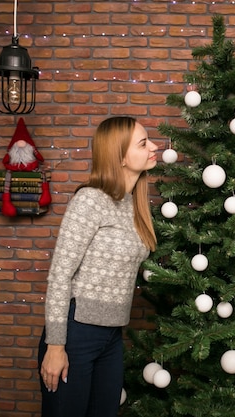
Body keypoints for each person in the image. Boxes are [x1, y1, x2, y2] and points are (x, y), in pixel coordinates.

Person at [38, 116, 158, 417]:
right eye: (143, 143)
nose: (154, 147)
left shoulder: (135, 205)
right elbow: (60, 275)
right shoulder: (90, 200)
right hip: (76, 333)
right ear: (120, 156)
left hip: (112, 335)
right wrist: (55, 346)